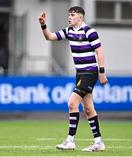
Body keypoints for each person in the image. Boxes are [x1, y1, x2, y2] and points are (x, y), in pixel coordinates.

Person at [38, 6, 108, 152]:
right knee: (88, 109)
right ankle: (98, 142)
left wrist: (102, 72)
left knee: (72, 103)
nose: (69, 17)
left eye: (72, 15)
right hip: (80, 74)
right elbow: (49, 37)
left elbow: (99, 51)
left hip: (90, 72)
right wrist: (43, 24)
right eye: (69, 15)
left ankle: (70, 141)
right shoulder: (69, 31)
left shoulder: (90, 31)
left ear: (80, 17)